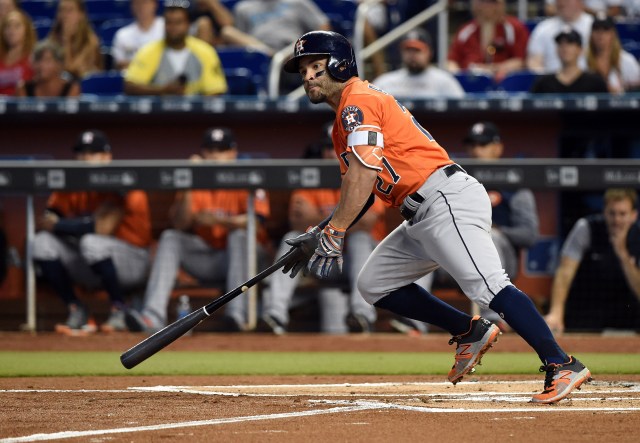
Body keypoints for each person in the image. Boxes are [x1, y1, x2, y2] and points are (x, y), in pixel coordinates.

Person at [280, 30, 591, 404]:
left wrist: (335, 230)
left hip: (445, 199)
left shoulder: (357, 100)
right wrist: (323, 231)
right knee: (375, 284)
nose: (308, 77)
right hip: (420, 212)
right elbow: (362, 189)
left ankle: (562, 363)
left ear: (339, 64)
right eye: (302, 70)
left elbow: (362, 175)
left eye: (316, 66)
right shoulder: (342, 121)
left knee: (489, 286)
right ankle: (469, 331)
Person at [125, 127, 271, 333]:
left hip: (248, 259)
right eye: (210, 150)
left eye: (221, 150)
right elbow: (179, 224)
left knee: (238, 236)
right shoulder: (197, 179)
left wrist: (218, 221)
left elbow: (256, 222)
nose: (215, 155)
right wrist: (189, 182)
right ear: (202, 153)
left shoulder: (247, 174)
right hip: (210, 257)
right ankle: (152, 316)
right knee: (170, 238)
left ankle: (237, 314)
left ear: (233, 152)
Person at [259, 124, 382, 335]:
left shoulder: (365, 174)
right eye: (328, 147)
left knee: (360, 239)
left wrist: (317, 219)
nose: (331, 153)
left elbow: (366, 223)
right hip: (322, 258)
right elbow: (297, 223)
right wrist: (346, 219)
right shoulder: (311, 178)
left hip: (357, 261)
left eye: (338, 147)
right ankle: (275, 314)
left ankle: (362, 314)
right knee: (293, 237)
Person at [32, 130, 152, 335]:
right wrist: (80, 224)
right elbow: (45, 222)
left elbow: (101, 228)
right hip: (92, 261)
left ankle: (119, 310)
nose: (85, 158)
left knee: (92, 241)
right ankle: (77, 310)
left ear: (107, 157)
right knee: (41, 243)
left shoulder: (123, 182)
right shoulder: (70, 184)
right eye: (81, 153)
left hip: (133, 262)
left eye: (93, 153)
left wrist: (62, 225)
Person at [463, 121, 540, 326]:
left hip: (501, 260)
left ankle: (492, 319)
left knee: (490, 236)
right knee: (422, 240)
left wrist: (495, 230)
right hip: (458, 254)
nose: (476, 150)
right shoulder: (458, 182)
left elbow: (529, 234)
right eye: (472, 145)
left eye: (483, 144)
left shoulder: (513, 185)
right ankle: (413, 324)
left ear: (498, 148)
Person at [545, 188, 640, 334]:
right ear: (604, 212)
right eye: (612, 213)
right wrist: (556, 312)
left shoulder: (638, 236)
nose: (617, 220)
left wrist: (622, 254)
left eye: (622, 214)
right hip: (589, 311)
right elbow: (565, 272)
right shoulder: (586, 228)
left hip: (629, 314)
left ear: (634, 215)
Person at [124, 0, 227, 96]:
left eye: (178, 23)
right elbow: (130, 86)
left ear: (188, 25)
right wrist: (162, 90)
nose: (173, 28)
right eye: (169, 22)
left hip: (197, 112)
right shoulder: (149, 50)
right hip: (159, 113)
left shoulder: (205, 51)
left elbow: (216, 90)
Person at [447, 0, 530, 82]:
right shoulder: (465, 31)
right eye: (483, 2)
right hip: (471, 83)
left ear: (502, 5)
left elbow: (521, 61)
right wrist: (459, 77)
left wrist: (494, 69)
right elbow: (451, 61)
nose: (487, 6)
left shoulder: (515, 28)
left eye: (492, 2)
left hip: (505, 84)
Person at [372, 28, 465, 99]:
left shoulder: (444, 81)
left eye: (417, 50)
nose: (412, 55)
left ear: (430, 52)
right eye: (408, 50)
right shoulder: (385, 82)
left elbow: (462, 111)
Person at [233, 0, 331, 55]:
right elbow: (241, 39)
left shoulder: (298, 2)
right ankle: (271, 55)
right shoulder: (242, 8)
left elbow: (323, 28)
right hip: (258, 52)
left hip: (291, 50)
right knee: (228, 32)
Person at [530, 27, 609, 93]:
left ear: (580, 50)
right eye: (561, 44)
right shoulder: (544, 83)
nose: (565, 48)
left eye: (570, 43)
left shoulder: (595, 82)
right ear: (556, 50)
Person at [527, 0, 594, 73]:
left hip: (587, 80)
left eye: (568, 1)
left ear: (581, 2)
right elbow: (534, 62)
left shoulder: (594, 26)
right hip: (550, 80)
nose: (563, 3)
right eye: (560, 0)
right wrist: (547, 80)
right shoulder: (543, 28)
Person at [46, 0, 103, 78]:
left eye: (70, 10)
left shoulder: (90, 40)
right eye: (61, 10)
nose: (64, 15)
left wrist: (67, 40)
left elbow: (71, 69)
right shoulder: (52, 39)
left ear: (81, 14)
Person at [586, 13, 640, 93]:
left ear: (613, 33)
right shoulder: (582, 60)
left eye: (605, 29)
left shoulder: (627, 61)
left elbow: (636, 92)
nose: (600, 34)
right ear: (591, 34)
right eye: (596, 29)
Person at [111, 0, 165, 70]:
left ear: (154, 4)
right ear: (132, 6)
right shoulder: (122, 35)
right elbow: (120, 65)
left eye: (145, 2)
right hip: (132, 78)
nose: (141, 7)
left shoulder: (167, 28)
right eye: (137, 3)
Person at [15, 39, 81, 97]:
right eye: (38, 60)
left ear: (59, 64)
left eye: (47, 60)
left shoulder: (71, 88)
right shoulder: (23, 88)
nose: (41, 65)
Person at [0, 8, 35, 95]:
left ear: (26, 30)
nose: (12, 31)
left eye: (17, 26)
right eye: (8, 26)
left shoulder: (32, 57)